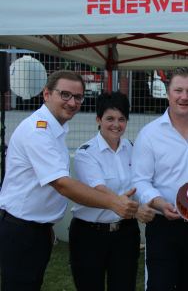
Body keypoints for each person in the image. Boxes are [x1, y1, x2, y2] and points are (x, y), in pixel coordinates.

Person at [0, 71, 139, 291]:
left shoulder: (56, 129)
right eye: (65, 95)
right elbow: (62, 184)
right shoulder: (39, 131)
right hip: (22, 231)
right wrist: (116, 203)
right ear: (46, 94)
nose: (72, 102)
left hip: (37, 230)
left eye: (78, 97)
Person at [131, 67, 188, 291]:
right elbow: (140, 180)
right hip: (164, 225)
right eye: (178, 90)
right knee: (159, 286)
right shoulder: (149, 134)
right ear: (168, 92)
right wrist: (159, 202)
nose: (184, 96)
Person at [69, 91, 155, 291]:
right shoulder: (86, 153)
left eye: (121, 119)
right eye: (109, 118)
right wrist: (135, 209)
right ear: (98, 119)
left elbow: (141, 183)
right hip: (89, 234)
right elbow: (100, 191)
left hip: (125, 233)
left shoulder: (133, 148)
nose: (116, 125)